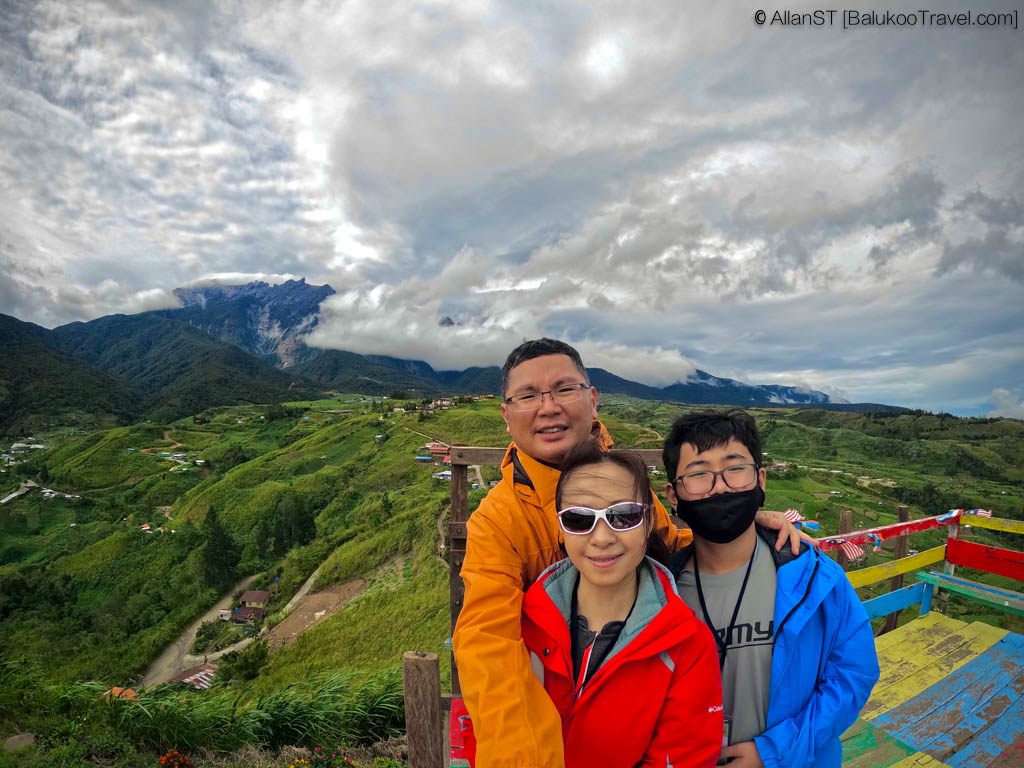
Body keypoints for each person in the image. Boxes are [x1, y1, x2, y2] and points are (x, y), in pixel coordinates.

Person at [452, 338, 807, 768]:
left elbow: (676, 551)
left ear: (593, 399)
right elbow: (488, 642)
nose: (548, 407)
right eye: (528, 395)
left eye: (565, 389)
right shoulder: (497, 521)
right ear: (507, 416)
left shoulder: (627, 485)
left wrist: (745, 528)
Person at [462, 440, 723, 767]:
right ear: (561, 529)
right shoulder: (518, 629)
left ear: (648, 523)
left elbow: (684, 757)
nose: (602, 537)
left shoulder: (687, 646)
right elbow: (484, 731)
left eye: (624, 516)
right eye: (579, 519)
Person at [662, 410, 879, 768]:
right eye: (699, 474)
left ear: (761, 479)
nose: (720, 486)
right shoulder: (657, 595)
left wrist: (774, 752)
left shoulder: (815, 579)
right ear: (673, 494)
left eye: (735, 468)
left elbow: (853, 675)